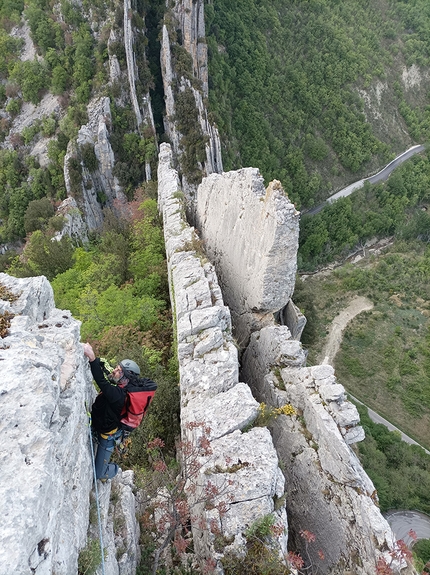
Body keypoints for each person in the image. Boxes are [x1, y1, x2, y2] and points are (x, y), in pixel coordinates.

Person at [83, 342, 141, 482]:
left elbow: (101, 382)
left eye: (119, 370)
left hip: (107, 436)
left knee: (98, 474)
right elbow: (107, 375)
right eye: (117, 367)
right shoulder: (119, 386)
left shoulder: (119, 395)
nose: (115, 370)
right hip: (100, 425)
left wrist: (92, 358)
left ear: (125, 378)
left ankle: (115, 469)